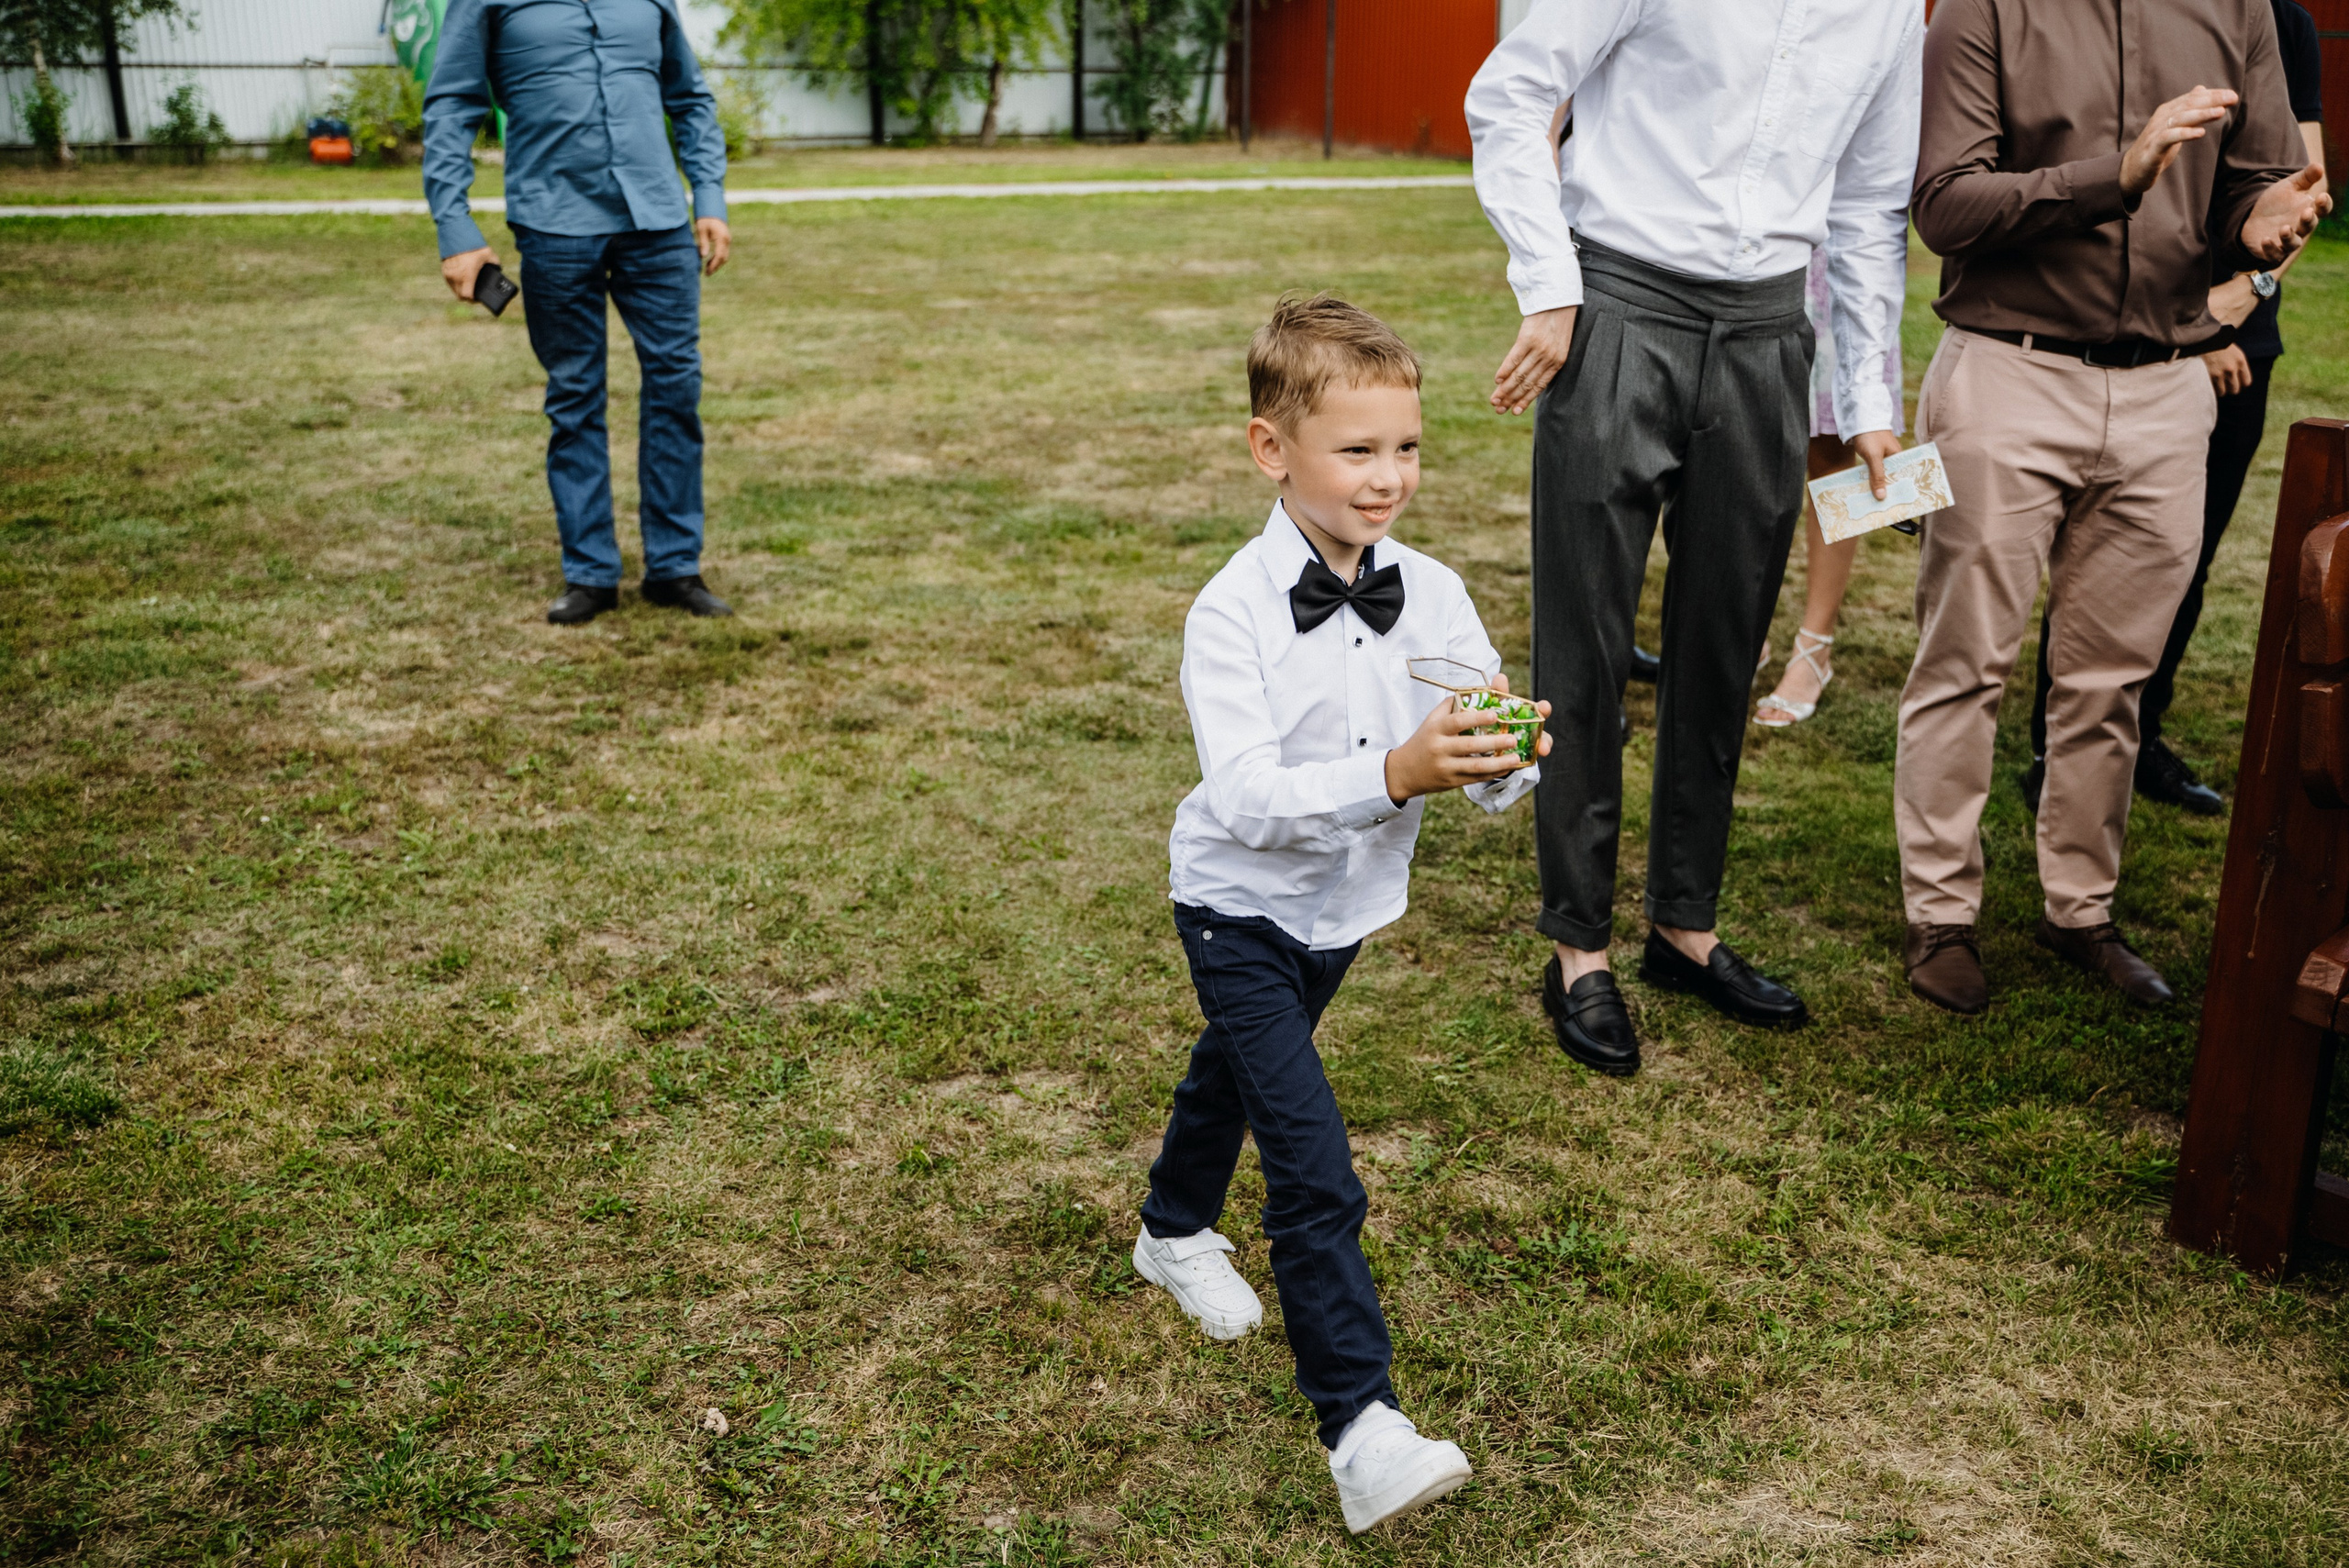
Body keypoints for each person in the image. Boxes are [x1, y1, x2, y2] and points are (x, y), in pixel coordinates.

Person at [1137, 296, 1545, 1534]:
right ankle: (1363, 1428)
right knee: (1311, 1163)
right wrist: (1397, 773)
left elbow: (1478, 742)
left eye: (1407, 447)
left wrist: (1510, 753)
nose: (1389, 477)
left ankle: (1170, 1227)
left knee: (1235, 1075)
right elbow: (1246, 796)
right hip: (1236, 906)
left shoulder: (1436, 590)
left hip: (1347, 908)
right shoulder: (1232, 610)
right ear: (1272, 451)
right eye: (1358, 450)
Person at [1466, 1, 1921, 1073]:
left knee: (1724, 642)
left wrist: (1869, 397)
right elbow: (1511, 91)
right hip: (1617, 305)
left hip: (1769, 331)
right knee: (1583, 640)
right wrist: (1549, 282)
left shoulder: (1895, 8)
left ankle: (1683, 924)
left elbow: (1868, 204)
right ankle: (1577, 947)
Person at [1896, 0, 2326, 1016]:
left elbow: (2257, 181)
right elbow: (1944, 207)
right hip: (2009, 372)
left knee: (2111, 679)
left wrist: (2260, 220)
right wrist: (2115, 176)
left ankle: (2079, 909)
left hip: (2168, 392)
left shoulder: (2238, 9)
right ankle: (1940, 913)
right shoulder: (1984, 9)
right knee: (1965, 662)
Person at [2020, 0, 2327, 816]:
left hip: (2237, 341)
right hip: (2131, 326)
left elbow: (2302, 186)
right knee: (2090, 556)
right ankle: (2056, 751)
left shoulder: (2285, 22)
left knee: (2183, 557)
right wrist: (2191, 329)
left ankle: (2137, 733)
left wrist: (2240, 299)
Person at [423, 0, 736, 627]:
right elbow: (452, 105)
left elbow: (689, 97)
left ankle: (675, 567)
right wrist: (455, 226)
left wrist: (708, 195)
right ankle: (591, 573)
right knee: (574, 396)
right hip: (554, 224)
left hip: (657, 223)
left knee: (676, 388)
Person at [1753, 249, 1909, 728]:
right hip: (1757, 264)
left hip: (1837, 270)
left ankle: (1814, 648)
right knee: (1744, 450)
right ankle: (1746, 630)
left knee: (1832, 456)